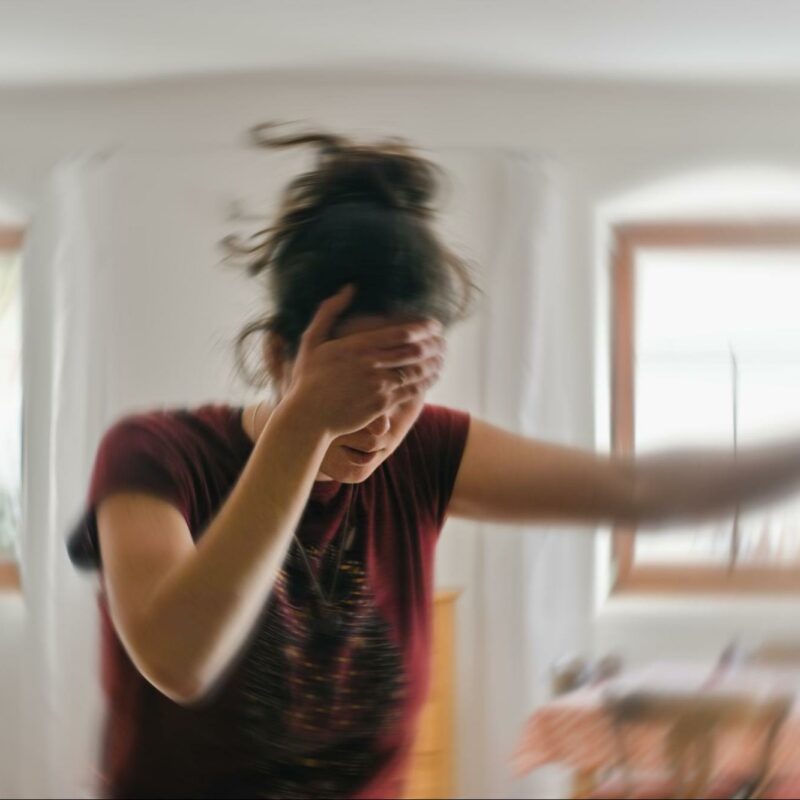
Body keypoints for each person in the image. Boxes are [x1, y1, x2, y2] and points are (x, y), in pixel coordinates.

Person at [68, 125, 800, 799]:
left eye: (406, 389)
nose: (379, 423)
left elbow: (637, 488)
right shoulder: (155, 455)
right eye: (352, 385)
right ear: (275, 357)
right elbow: (179, 659)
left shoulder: (424, 455)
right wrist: (305, 426)